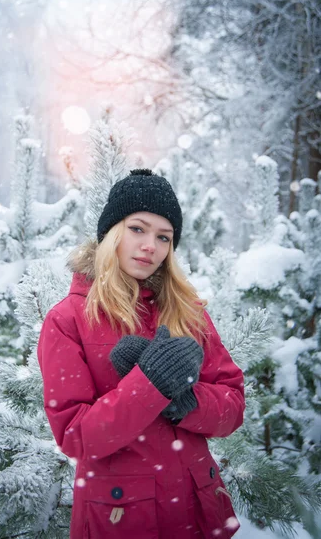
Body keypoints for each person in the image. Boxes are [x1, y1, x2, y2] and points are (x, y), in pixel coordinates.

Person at [37, 169, 245, 539]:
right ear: (111, 233)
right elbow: (75, 436)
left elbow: (233, 405)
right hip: (122, 518)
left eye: (163, 237)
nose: (151, 245)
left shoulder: (186, 310)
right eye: (138, 229)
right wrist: (149, 386)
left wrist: (185, 400)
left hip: (197, 512)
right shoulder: (68, 319)